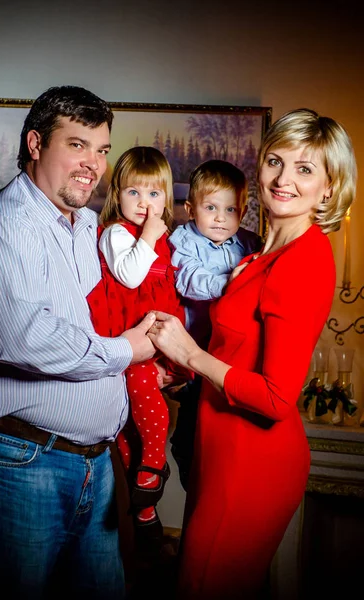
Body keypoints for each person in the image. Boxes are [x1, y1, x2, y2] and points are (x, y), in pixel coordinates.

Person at [147, 108, 357, 599]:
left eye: (305, 169)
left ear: (329, 186)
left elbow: (277, 397)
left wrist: (191, 354)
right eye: (275, 161)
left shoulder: (302, 261)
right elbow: (238, 353)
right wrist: (186, 372)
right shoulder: (260, 253)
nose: (284, 179)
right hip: (219, 450)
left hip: (252, 462)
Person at [0, 85, 157, 600]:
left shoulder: (87, 225)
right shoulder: (3, 222)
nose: (92, 163)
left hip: (95, 465)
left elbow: (99, 321)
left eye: (101, 149)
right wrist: (127, 351)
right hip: (21, 462)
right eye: (77, 145)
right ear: (35, 143)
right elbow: (25, 338)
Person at [86, 146, 190, 552]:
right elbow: (129, 278)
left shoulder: (166, 241)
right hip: (128, 337)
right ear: (117, 195)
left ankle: (143, 503)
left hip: (156, 337)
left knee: (139, 406)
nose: (144, 204)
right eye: (134, 193)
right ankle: (150, 465)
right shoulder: (115, 232)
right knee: (136, 409)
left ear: (167, 199)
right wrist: (148, 234)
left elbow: (170, 290)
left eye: (154, 195)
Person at [168, 159, 262, 490]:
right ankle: (192, 481)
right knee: (191, 436)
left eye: (231, 209)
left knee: (229, 439)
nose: (221, 218)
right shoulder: (182, 240)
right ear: (191, 208)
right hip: (195, 357)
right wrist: (232, 284)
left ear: (244, 210)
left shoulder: (250, 243)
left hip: (232, 359)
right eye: (211, 207)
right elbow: (190, 280)